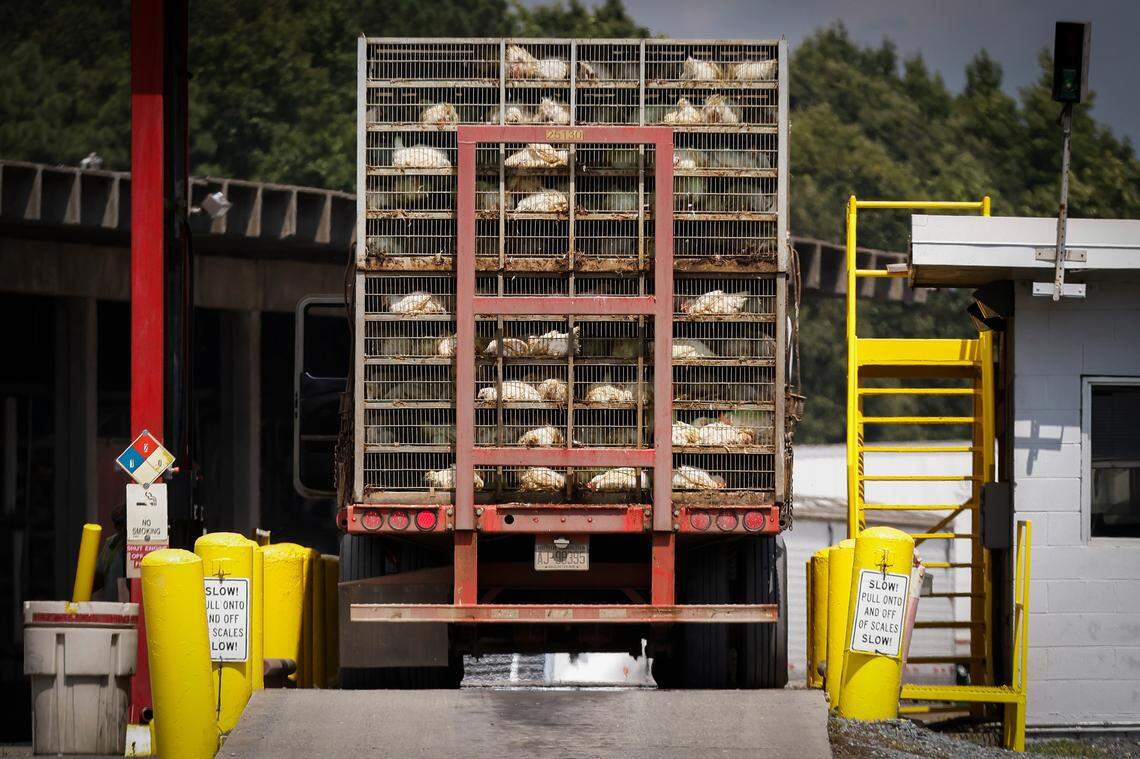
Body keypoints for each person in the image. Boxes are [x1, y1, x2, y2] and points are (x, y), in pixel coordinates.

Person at [94, 503, 127, 602]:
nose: (122, 528)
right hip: (114, 607)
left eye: (124, 522)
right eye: (118, 524)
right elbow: (98, 576)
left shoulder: (147, 543)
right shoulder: (111, 543)